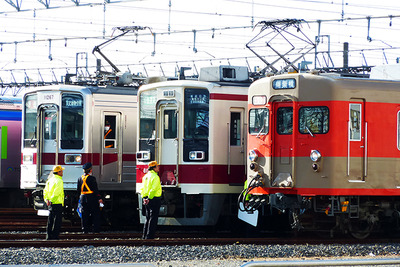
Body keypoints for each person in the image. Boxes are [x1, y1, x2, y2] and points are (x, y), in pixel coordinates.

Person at [77, 162, 103, 233]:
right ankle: (95, 230)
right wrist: (99, 198)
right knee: (95, 213)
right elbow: (95, 190)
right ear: (90, 170)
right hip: (91, 197)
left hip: (82, 198)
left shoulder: (80, 178)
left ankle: (85, 229)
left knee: (84, 214)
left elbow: (78, 190)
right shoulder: (92, 178)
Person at [141, 161, 162, 239]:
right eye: (157, 166)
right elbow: (153, 189)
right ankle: (150, 236)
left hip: (146, 198)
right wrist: (149, 198)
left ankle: (144, 235)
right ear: (154, 168)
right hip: (153, 198)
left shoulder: (145, 176)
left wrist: (144, 198)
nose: (158, 168)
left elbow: (142, 188)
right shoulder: (155, 177)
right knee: (153, 218)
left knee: (147, 218)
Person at [43, 165, 65, 240]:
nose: (62, 172)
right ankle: (55, 236)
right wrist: (52, 200)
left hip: (50, 203)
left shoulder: (50, 180)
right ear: (58, 172)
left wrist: (47, 200)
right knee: (57, 221)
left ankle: (48, 236)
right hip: (57, 203)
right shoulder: (59, 181)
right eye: (61, 171)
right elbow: (57, 192)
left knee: (50, 220)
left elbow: (45, 191)